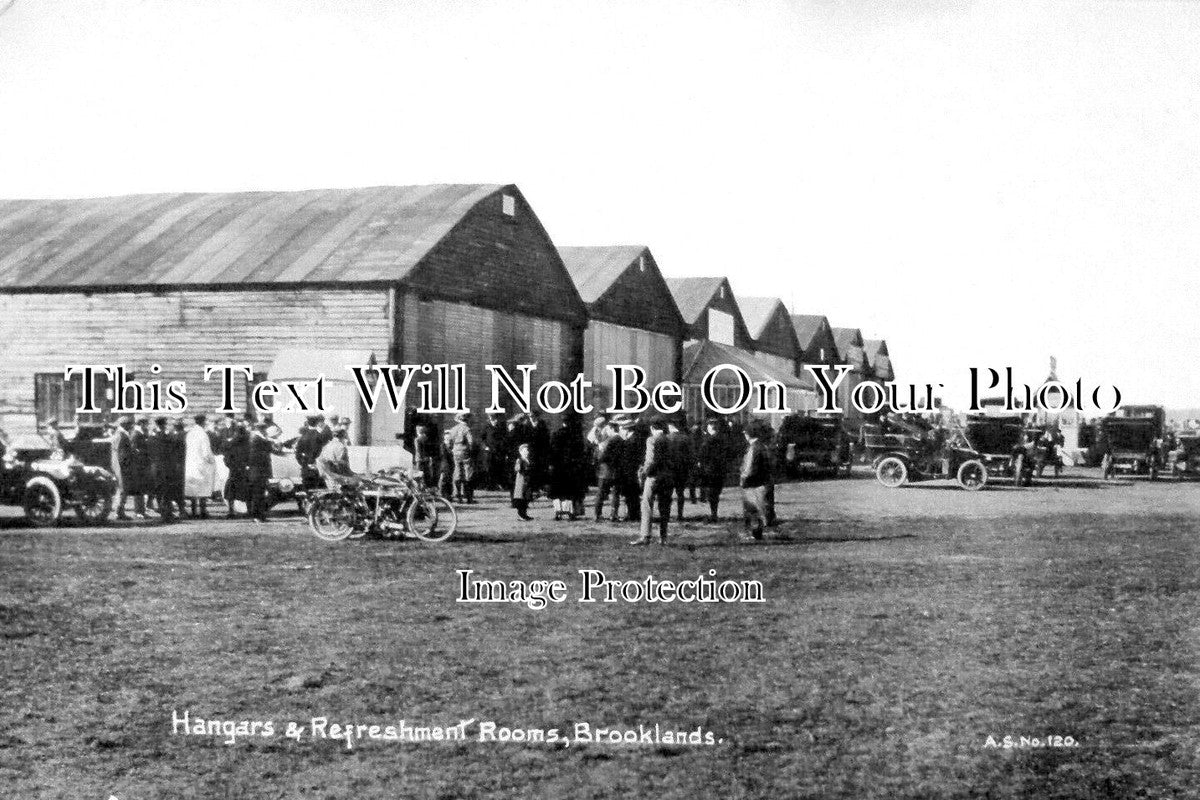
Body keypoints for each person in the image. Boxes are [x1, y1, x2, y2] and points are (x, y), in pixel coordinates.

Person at [631, 419, 674, 546]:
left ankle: (645, 535)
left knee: (647, 505)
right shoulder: (670, 439)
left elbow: (650, 460)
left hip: (654, 476)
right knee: (665, 507)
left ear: (652, 428)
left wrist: (643, 472)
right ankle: (663, 537)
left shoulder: (652, 440)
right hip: (668, 476)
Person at [548, 417, 587, 521]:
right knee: (569, 492)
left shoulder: (555, 434)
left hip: (557, 468)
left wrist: (551, 464)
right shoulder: (575, 436)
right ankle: (569, 512)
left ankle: (558, 512)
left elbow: (551, 451)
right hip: (571, 468)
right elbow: (581, 453)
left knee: (557, 492)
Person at [739, 422, 772, 540]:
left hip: (752, 484)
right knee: (759, 509)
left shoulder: (753, 448)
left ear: (749, 434)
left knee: (752, 510)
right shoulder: (763, 446)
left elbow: (749, 467)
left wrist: (743, 478)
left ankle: (754, 534)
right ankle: (757, 532)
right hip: (763, 482)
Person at [111, 416, 145, 520]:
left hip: (117, 464)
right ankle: (119, 511)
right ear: (125, 425)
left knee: (122, 489)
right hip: (122, 465)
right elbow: (123, 454)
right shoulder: (122, 436)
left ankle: (119, 511)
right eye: (130, 424)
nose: (131, 426)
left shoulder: (118, 434)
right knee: (122, 488)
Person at [185, 414, 216, 519]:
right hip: (201, 463)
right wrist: (212, 460)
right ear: (203, 422)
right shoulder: (203, 434)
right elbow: (206, 452)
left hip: (191, 464)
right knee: (203, 489)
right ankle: (203, 511)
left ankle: (193, 511)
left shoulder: (190, 433)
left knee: (193, 489)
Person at [696, 419, 728, 522]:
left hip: (710, 470)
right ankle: (714, 513)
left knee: (712, 493)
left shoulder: (707, 441)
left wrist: (700, 464)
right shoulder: (723, 439)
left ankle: (713, 514)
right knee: (716, 492)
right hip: (721, 469)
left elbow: (702, 455)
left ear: (709, 427)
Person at [593, 420, 624, 521]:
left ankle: (597, 514)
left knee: (601, 493)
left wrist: (599, 452)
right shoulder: (622, 440)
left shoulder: (609, 441)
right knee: (616, 494)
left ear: (611, 429)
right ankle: (613, 514)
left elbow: (602, 457)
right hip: (617, 471)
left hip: (606, 471)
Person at [246, 421, 276, 522]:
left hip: (260, 471)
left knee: (260, 494)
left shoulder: (259, 439)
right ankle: (257, 516)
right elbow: (261, 454)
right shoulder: (257, 440)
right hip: (258, 471)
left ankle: (260, 515)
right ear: (261, 429)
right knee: (257, 494)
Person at [666, 417, 693, 521]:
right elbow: (690, 455)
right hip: (682, 470)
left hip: (669, 469)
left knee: (668, 493)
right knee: (680, 493)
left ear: (670, 426)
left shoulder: (667, 438)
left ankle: (667, 514)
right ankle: (680, 514)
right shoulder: (685, 438)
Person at [615, 420, 642, 522]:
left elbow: (628, 457)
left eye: (622, 428)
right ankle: (633, 514)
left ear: (627, 429)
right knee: (632, 494)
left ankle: (632, 515)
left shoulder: (631, 440)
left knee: (631, 494)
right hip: (631, 470)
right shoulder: (634, 438)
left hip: (629, 471)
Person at [447, 412, 476, 503]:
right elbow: (471, 442)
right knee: (468, 474)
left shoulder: (453, 429)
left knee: (458, 473)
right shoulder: (467, 429)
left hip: (456, 452)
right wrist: (471, 450)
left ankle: (458, 495)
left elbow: (449, 443)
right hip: (465, 452)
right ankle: (469, 497)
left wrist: (452, 449)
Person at [480, 412, 507, 490]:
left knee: (498, 467)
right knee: (489, 468)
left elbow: (503, 438)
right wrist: (485, 447)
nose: (495, 421)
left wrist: (502, 447)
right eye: (493, 419)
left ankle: (497, 484)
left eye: (496, 419)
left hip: (498, 451)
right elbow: (482, 439)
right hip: (489, 451)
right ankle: (489, 485)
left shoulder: (501, 427)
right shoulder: (486, 427)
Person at [511, 442, 534, 520]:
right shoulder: (520, 460)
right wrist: (521, 467)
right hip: (521, 481)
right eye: (525, 451)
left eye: (528, 450)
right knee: (521, 498)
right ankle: (521, 514)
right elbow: (517, 469)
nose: (527, 452)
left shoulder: (528, 460)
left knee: (526, 498)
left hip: (527, 482)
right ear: (520, 452)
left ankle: (524, 513)